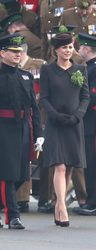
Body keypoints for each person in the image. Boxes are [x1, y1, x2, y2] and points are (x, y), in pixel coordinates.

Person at [40, 31, 89, 227]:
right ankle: (61, 206)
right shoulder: (47, 70)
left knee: (69, 166)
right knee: (59, 166)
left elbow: (86, 96)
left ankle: (58, 206)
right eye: (64, 47)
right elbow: (44, 97)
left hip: (74, 123)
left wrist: (78, 115)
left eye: (70, 47)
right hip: (56, 124)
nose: (68, 51)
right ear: (56, 50)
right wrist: (55, 116)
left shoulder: (80, 69)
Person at [0, 33, 43, 229]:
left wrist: (40, 134)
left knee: (21, 175)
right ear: (2, 53)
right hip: (3, 128)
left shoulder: (25, 76)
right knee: (8, 174)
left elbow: (34, 108)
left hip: (24, 128)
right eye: (13, 51)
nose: (18, 54)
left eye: (19, 51)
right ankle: (13, 216)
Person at [72, 33, 96, 215]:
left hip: (93, 123)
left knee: (95, 164)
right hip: (87, 123)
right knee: (89, 163)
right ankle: (91, 200)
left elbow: (93, 97)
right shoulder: (90, 68)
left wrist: (76, 106)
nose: (78, 50)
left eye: (80, 48)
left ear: (87, 49)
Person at [16, 41, 46, 213]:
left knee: (33, 158)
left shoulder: (39, 65)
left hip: (38, 115)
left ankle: (40, 198)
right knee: (21, 158)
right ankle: (20, 198)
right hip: (20, 117)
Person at [59, 0, 96, 88]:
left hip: (94, 68)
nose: (84, 12)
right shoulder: (67, 16)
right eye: (81, 9)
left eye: (87, 9)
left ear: (93, 3)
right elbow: (58, 43)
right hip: (71, 65)